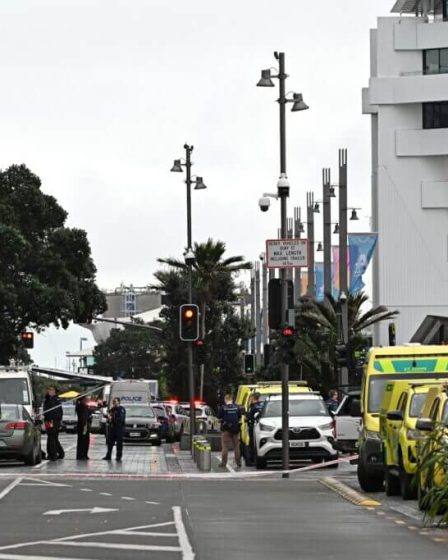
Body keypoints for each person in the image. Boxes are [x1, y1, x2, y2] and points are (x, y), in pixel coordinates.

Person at [218, 394, 242, 469]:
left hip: (226, 430)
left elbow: (218, 416)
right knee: (236, 447)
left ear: (225, 400)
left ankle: (223, 463)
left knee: (225, 447)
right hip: (236, 430)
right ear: (232, 400)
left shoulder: (223, 408)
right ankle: (238, 463)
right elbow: (239, 416)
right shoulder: (237, 407)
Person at [43, 386, 64, 461]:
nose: (50, 391)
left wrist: (58, 420)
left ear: (55, 391)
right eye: (49, 389)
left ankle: (53, 454)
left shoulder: (55, 400)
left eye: (52, 390)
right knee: (52, 438)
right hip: (48, 421)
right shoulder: (48, 399)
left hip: (54, 421)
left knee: (52, 438)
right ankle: (59, 453)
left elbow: (58, 411)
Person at [246, 392, 264, 466]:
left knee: (252, 444)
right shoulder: (263, 405)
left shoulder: (253, 407)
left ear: (253, 398)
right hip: (262, 428)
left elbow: (250, 417)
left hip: (253, 427)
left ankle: (251, 460)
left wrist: (247, 418)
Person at [75, 396, 92, 460]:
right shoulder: (82, 407)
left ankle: (84, 454)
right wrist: (85, 426)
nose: (88, 399)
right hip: (84, 426)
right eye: (86, 399)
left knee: (85, 441)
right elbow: (83, 418)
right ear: (83, 400)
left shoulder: (84, 406)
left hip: (84, 426)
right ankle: (82, 455)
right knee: (83, 441)